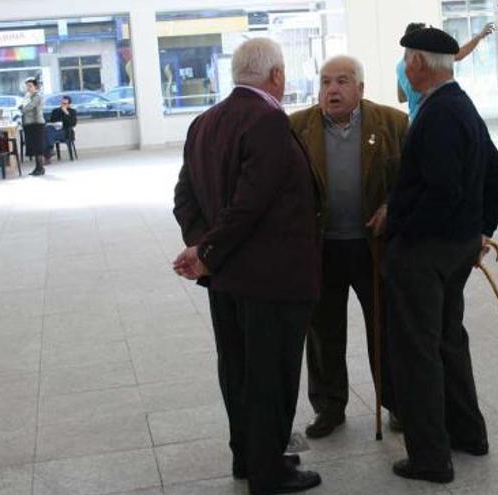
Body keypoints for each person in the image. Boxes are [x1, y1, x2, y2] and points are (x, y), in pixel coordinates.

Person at [172, 38, 323, 495]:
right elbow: (250, 205)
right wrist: (209, 252)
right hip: (272, 279)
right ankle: (269, 471)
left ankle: (250, 454)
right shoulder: (269, 120)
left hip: (226, 280)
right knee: (271, 374)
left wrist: (203, 249)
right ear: (276, 75)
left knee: (238, 370)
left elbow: (185, 198)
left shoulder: (204, 121)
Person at [385, 27, 498, 484]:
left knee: (417, 352)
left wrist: (403, 234)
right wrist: (478, 231)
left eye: (405, 61)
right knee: (447, 341)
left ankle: (430, 458)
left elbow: (442, 191)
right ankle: (467, 433)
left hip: (426, 255)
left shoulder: (438, 114)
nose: (404, 69)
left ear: (417, 64)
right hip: (455, 250)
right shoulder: (461, 106)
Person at [288, 56, 407, 439]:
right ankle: (328, 406)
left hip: (372, 247)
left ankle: (396, 403)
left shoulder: (392, 123)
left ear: (361, 88)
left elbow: (412, 181)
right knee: (322, 332)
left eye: (341, 81)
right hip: (322, 248)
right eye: (325, 82)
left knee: (384, 328)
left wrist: (392, 206)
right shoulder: (296, 127)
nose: (332, 89)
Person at [397, 22, 495, 122]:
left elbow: (401, 97)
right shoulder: (430, 61)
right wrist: (479, 36)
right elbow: (459, 54)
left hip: (414, 119)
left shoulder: (399, 67)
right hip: (433, 118)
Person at [19, 77, 46, 176]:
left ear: (36, 86)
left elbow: (28, 107)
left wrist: (22, 108)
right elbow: (21, 105)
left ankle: (40, 168)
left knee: (38, 147)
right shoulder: (28, 96)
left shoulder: (37, 96)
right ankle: (37, 168)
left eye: (30, 86)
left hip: (37, 123)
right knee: (34, 148)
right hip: (29, 124)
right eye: (27, 86)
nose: (28, 88)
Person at [45, 96, 78, 163]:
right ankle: (49, 151)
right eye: (62, 103)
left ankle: (48, 152)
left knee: (47, 135)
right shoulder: (56, 111)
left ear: (69, 104)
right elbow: (52, 121)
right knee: (47, 130)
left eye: (65, 103)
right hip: (54, 130)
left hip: (65, 132)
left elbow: (73, 123)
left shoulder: (72, 112)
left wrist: (66, 113)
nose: (63, 105)